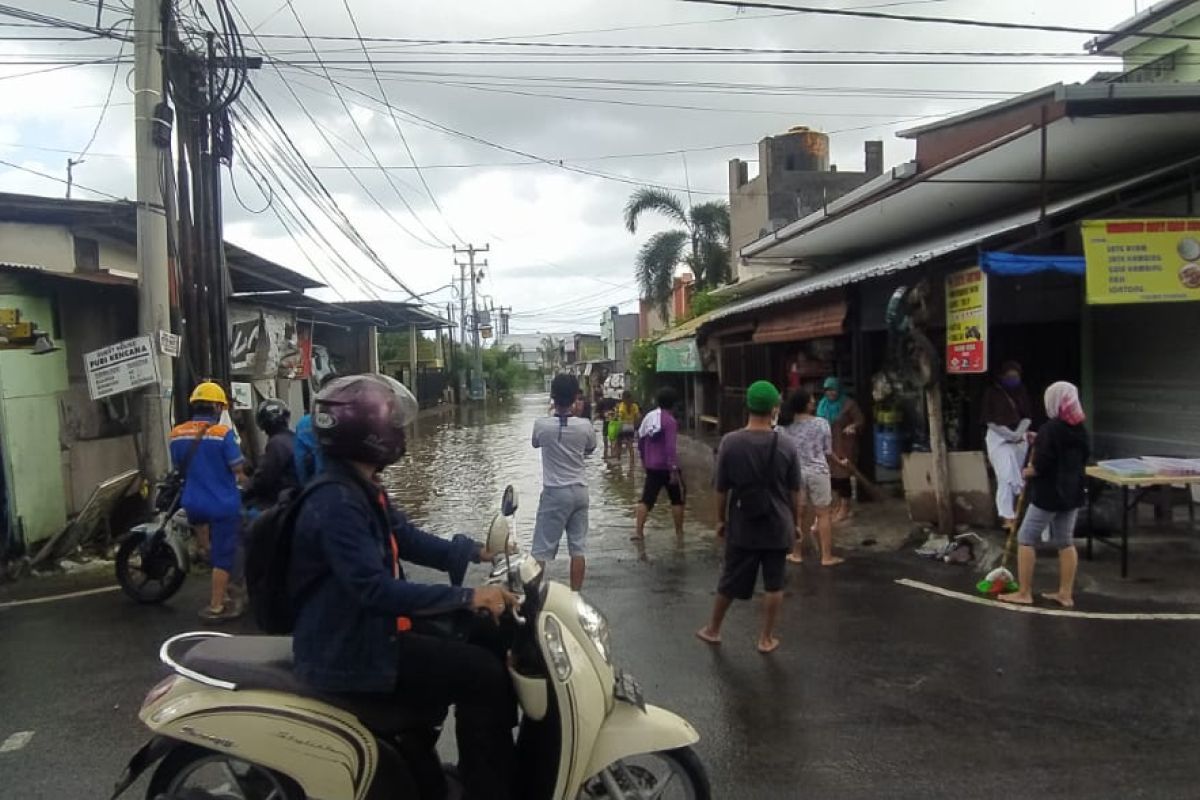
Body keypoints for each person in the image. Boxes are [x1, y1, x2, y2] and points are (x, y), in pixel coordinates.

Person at [289, 374, 516, 800]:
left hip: (369, 629)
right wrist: (467, 595)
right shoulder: (335, 502)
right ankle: (488, 789)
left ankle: (483, 770)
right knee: (483, 675)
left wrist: (473, 553)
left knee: (486, 633)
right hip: (353, 647)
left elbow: (406, 538)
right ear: (371, 433)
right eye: (392, 422)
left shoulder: (360, 486)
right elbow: (374, 591)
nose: (400, 430)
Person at [697, 381, 801, 655]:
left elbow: (721, 488)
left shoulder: (731, 443)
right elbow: (795, 491)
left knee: (730, 580)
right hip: (779, 525)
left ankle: (713, 630)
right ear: (775, 409)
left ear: (748, 407)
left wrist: (720, 521)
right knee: (774, 582)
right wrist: (796, 523)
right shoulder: (787, 445)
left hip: (743, 524)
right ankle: (765, 639)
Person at [1000, 382, 1089, 609]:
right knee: (1065, 542)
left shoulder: (1052, 428)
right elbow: (1073, 455)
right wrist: (1038, 440)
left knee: (1026, 538)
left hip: (1049, 494)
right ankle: (1065, 594)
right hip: (1072, 492)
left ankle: (1024, 592)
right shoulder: (1080, 428)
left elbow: (1042, 464)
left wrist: (1028, 471)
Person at [170, 381, 246, 622]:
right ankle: (216, 605)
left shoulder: (177, 433)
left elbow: (179, 465)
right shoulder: (222, 434)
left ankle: (204, 550)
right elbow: (238, 468)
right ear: (216, 406)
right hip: (221, 503)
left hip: (192, 501)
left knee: (211, 549)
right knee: (224, 555)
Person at [532, 374, 597, 591]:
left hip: (554, 494)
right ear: (575, 397)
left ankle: (531, 599)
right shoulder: (585, 426)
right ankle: (575, 596)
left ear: (552, 397)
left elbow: (535, 443)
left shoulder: (541, 425)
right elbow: (590, 449)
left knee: (541, 550)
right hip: (580, 492)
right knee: (577, 549)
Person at [780, 390, 844, 567]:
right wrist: (840, 462)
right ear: (806, 404)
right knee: (823, 514)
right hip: (819, 472)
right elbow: (828, 451)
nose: (814, 401)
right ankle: (826, 557)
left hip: (794, 474)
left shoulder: (783, 426)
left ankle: (796, 554)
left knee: (797, 515)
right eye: (812, 400)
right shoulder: (822, 424)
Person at [982, 360, 1035, 528]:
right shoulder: (992, 393)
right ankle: (1007, 517)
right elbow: (989, 420)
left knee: (1017, 475)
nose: (1013, 379)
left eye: (1016, 376)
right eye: (1009, 376)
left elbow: (1027, 416)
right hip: (999, 440)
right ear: (1002, 377)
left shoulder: (1021, 391)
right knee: (1005, 476)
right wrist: (1009, 435)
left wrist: (1018, 433)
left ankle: (1017, 513)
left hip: (1020, 440)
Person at [634, 387, 685, 541]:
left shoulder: (650, 417)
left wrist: (644, 459)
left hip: (651, 466)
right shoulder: (670, 421)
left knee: (646, 499)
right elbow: (670, 447)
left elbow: (641, 439)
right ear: (673, 404)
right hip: (667, 467)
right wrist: (673, 469)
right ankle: (679, 534)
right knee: (676, 499)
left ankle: (638, 532)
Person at [818, 377, 865, 523]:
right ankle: (838, 505)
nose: (830, 393)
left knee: (843, 476)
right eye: (827, 390)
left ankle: (845, 507)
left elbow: (860, 420)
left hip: (844, 445)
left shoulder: (848, 404)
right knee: (832, 477)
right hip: (828, 446)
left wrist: (853, 426)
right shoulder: (822, 404)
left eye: (833, 390)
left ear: (838, 389)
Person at [246, 398, 298, 509]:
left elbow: (264, 478)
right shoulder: (292, 438)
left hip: (282, 500)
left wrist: (246, 488)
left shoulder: (276, 444)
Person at [615, 390, 642, 469]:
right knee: (630, 445)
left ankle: (618, 462)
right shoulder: (635, 406)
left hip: (623, 426)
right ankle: (632, 463)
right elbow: (638, 417)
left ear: (623, 398)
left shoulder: (622, 405)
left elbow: (620, 417)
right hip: (631, 427)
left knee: (618, 443)